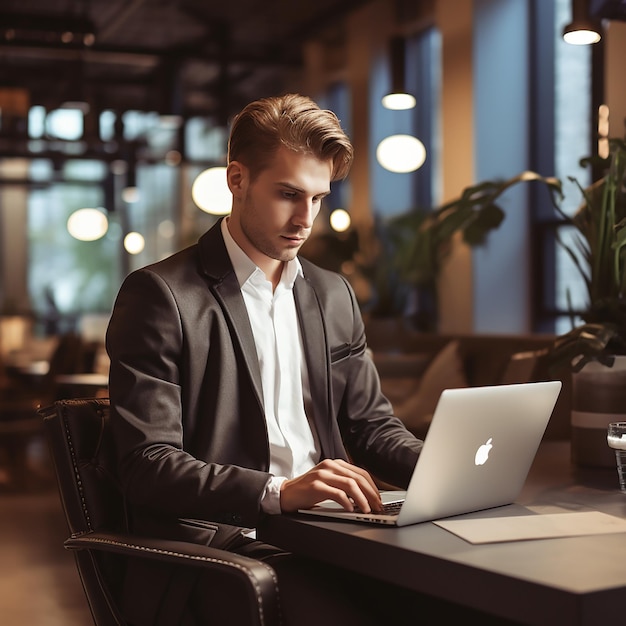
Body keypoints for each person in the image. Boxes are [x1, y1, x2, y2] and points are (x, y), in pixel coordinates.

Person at [106, 93, 424, 625]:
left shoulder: (331, 294)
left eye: (319, 198)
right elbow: (146, 466)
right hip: (222, 545)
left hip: (330, 534)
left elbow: (370, 427)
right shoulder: (160, 295)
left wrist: (445, 473)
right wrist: (279, 492)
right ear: (236, 179)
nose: (305, 219)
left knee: (468, 600)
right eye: (287, 194)